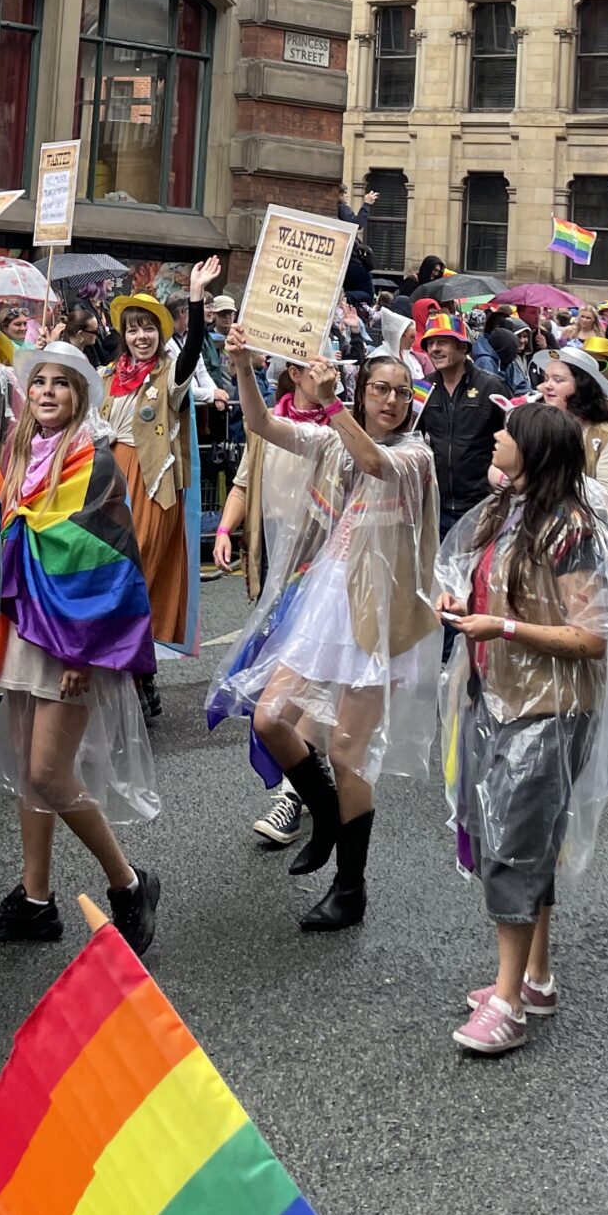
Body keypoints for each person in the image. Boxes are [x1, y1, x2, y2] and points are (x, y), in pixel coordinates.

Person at [438, 403, 608, 1055]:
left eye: (507, 431)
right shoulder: (508, 513)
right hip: (497, 694)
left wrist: (499, 627)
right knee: (522, 837)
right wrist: (464, 605)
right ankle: (535, 976)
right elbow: (497, 591)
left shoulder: (571, 529)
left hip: (546, 710)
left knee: (513, 845)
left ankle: (506, 1004)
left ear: (530, 450)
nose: (496, 437)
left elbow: (590, 637)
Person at [208, 345, 439, 932]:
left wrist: (334, 403)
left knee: (347, 753)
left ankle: (350, 886)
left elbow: (375, 464)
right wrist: (240, 365)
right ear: (364, 392)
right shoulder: (334, 439)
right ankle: (325, 815)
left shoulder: (416, 454)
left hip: (379, 615)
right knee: (269, 719)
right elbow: (261, 424)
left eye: (401, 391)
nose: (390, 400)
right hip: (327, 601)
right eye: (379, 389)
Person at [0, 344, 160, 956]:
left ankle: (129, 882)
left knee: (49, 773)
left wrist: (84, 652)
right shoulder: (19, 453)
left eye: (62, 383)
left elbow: (104, 563)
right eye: (41, 382)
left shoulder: (94, 461)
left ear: (80, 395)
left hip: (72, 635)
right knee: (30, 770)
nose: (48, 391)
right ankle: (35, 899)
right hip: (29, 626)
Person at [214, 347, 344, 851]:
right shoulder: (267, 428)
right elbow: (244, 486)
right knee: (278, 681)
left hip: (325, 574)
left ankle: (293, 794)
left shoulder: (341, 429)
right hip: (275, 572)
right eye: (318, 364)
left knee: (304, 686)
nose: (329, 371)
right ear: (293, 373)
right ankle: (312, 775)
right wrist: (226, 528)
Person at [103, 258, 221, 690]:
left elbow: (190, 355)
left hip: (151, 484)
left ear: (161, 332)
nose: (141, 336)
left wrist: (194, 295)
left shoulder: (169, 375)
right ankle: (121, 668)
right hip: (107, 486)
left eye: (149, 328)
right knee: (110, 576)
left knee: (140, 574)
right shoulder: (105, 377)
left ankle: (139, 672)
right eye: (133, 329)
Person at [416, 311, 507, 538]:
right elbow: (412, 438)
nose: (434, 349)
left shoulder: (491, 386)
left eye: (443, 342)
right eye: (430, 343)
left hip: (481, 506)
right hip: (436, 506)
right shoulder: (423, 388)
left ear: (463, 348)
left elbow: (511, 439)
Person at [537, 346, 608, 529]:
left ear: (582, 386)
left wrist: (544, 486)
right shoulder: (534, 426)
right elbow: (498, 473)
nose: (547, 385)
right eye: (545, 379)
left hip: (591, 545)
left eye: (558, 380)